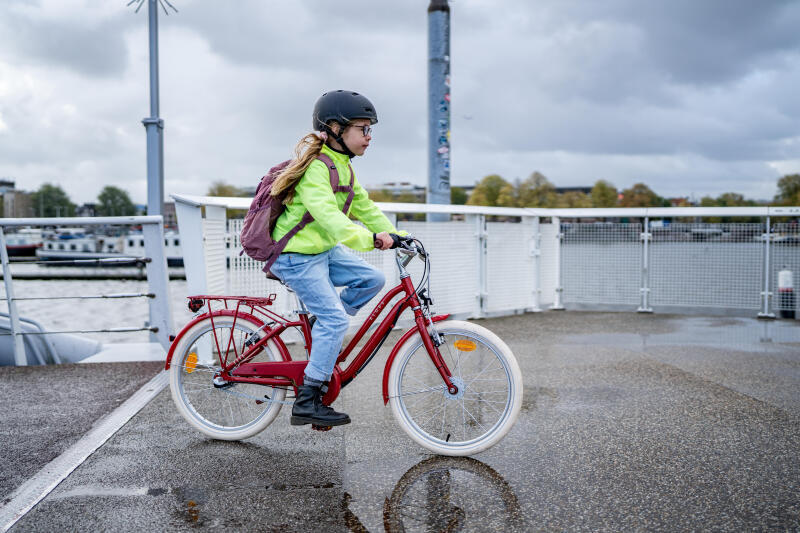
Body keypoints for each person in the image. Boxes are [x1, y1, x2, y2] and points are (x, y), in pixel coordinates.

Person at [269, 90, 406, 428]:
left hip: (321, 250)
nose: (369, 137)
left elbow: (363, 207)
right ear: (334, 128)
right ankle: (307, 400)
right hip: (296, 255)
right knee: (335, 320)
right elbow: (330, 217)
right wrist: (370, 240)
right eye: (363, 129)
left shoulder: (343, 167)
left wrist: (395, 235)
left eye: (370, 130)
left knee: (371, 279)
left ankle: (322, 326)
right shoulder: (317, 169)